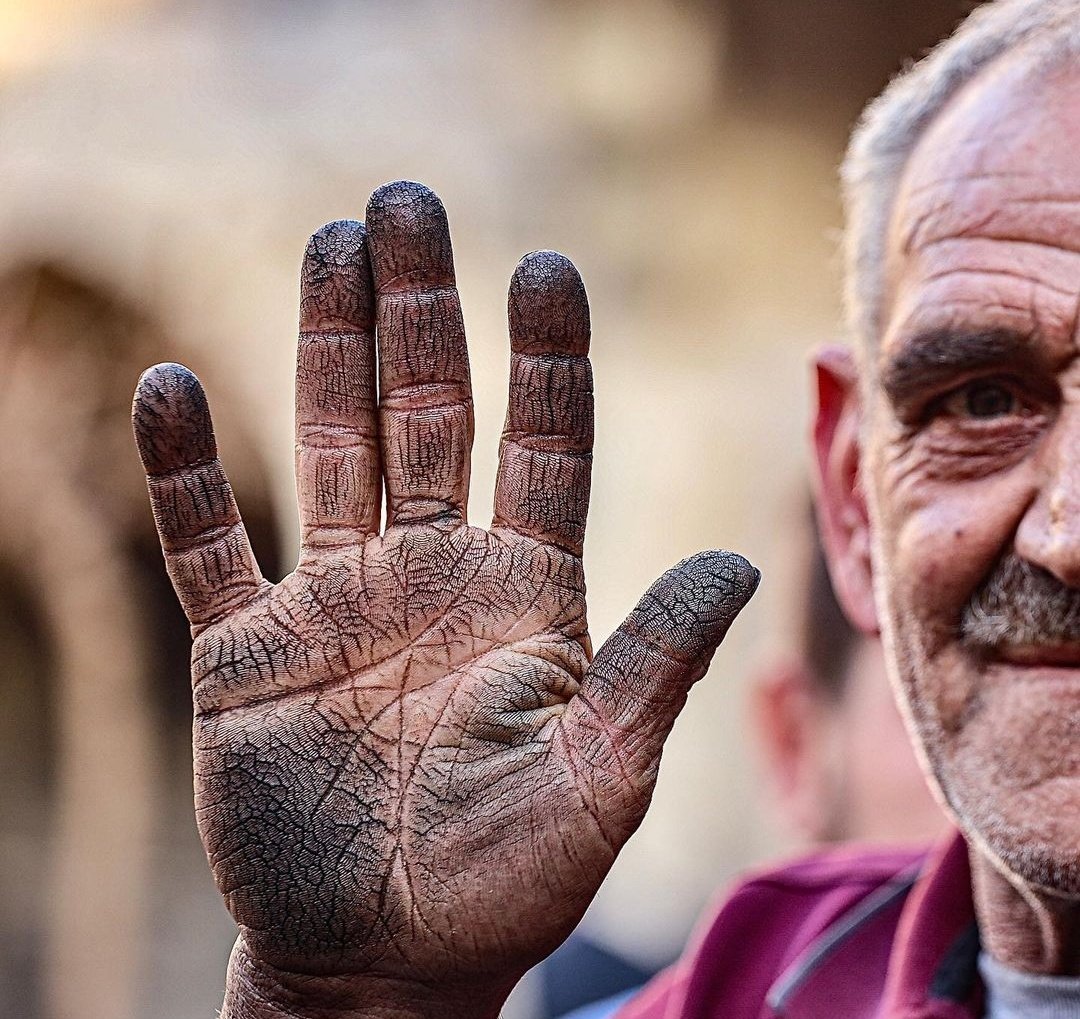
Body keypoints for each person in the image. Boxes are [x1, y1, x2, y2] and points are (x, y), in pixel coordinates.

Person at [130, 1, 1080, 1015]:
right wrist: (354, 998)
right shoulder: (751, 992)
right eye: (982, 400)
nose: (1067, 534)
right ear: (853, 503)